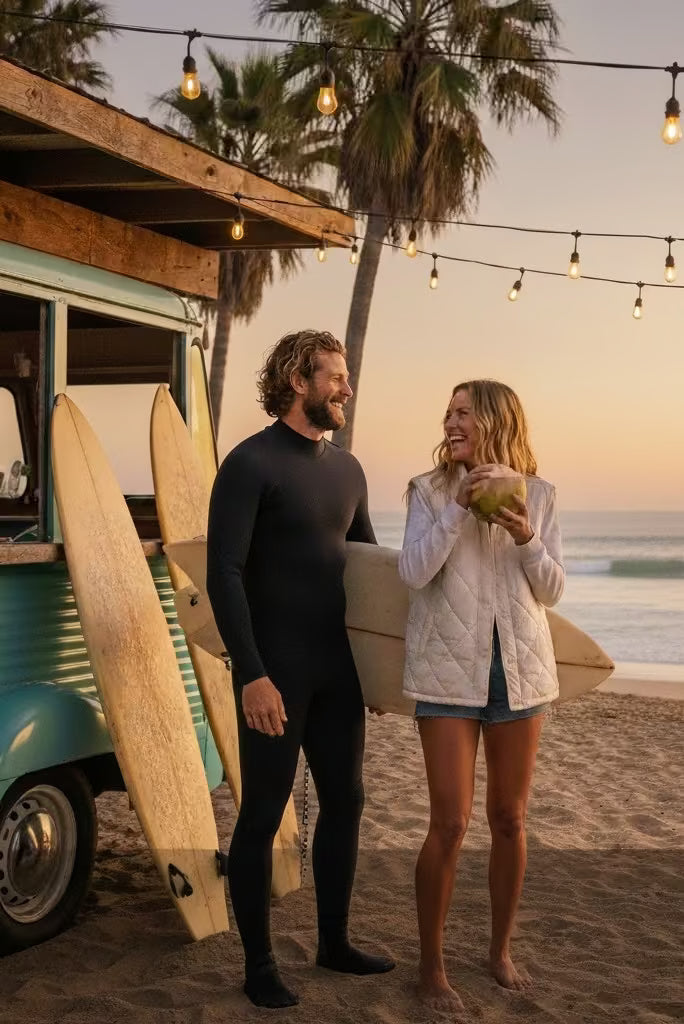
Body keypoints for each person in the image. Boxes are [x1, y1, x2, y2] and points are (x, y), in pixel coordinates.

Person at [206, 329, 395, 1009]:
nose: (345, 388)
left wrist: (378, 670)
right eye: (334, 377)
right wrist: (251, 672)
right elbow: (223, 573)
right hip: (274, 669)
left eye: (344, 377)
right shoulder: (251, 464)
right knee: (262, 811)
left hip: (338, 669)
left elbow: (370, 573)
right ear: (298, 381)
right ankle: (258, 964)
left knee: (346, 798)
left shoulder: (348, 470)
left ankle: (333, 943)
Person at [398, 379, 565, 1012]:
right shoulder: (429, 490)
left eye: (464, 412)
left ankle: (499, 950)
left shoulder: (541, 495)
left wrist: (526, 537)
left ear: (494, 421)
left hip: (518, 675)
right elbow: (413, 572)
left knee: (510, 819)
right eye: (448, 411)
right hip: (447, 676)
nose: (450, 421)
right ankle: (432, 966)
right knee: (449, 822)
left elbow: (550, 592)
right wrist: (458, 509)